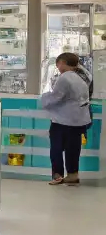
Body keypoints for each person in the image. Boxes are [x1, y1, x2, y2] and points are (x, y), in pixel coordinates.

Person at [41, 51, 91, 186]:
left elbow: (56, 97)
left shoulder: (64, 78)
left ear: (62, 63)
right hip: (78, 120)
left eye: (58, 64)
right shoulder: (82, 77)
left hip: (62, 120)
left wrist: (44, 99)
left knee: (56, 149)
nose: (57, 67)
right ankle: (73, 175)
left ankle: (57, 175)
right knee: (73, 149)